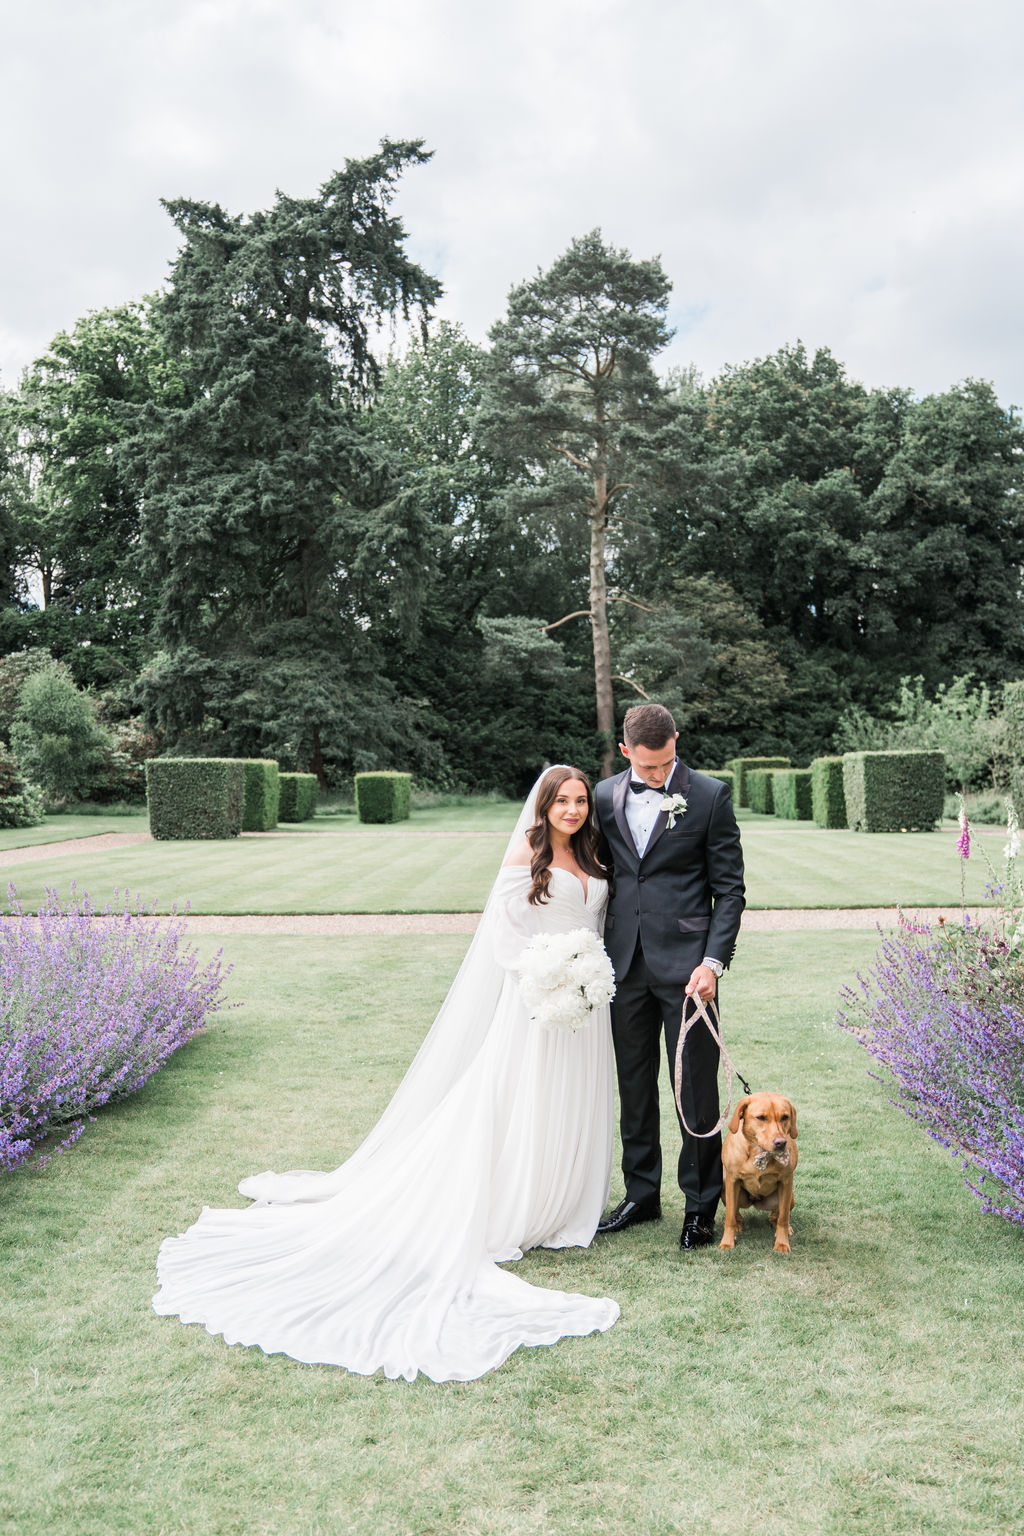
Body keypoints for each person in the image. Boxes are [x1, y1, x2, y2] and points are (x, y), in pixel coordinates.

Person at [153, 766, 619, 1382]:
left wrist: (586, 978)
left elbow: (599, 927)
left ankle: (560, 1203)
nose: (574, 809)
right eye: (562, 800)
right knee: (522, 1100)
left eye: (581, 800)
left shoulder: (593, 855)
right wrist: (551, 976)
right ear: (543, 805)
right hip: (536, 1001)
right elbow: (503, 939)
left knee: (573, 1103)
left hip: (587, 1006)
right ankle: (515, 1199)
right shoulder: (524, 855)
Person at [594, 704, 745, 1250]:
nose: (660, 776)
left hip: (690, 972)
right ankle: (641, 1195)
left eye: (667, 764)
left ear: (676, 740)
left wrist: (712, 963)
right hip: (623, 968)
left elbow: (729, 890)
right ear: (626, 751)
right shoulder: (604, 797)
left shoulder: (708, 795)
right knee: (634, 1086)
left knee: (695, 1092)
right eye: (649, 767)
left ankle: (702, 1206)